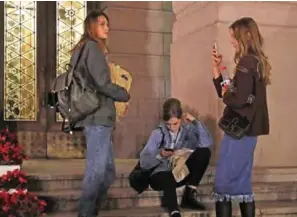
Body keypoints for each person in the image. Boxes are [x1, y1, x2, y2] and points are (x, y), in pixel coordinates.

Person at [70, 11, 130, 217]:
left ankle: (91, 211)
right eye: (102, 24)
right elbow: (102, 83)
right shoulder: (92, 48)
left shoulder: (81, 49)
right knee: (96, 172)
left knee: (108, 172)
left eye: (108, 24)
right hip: (97, 117)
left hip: (96, 117)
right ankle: (86, 213)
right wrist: (123, 93)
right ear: (91, 27)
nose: (107, 28)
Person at [211, 17, 271, 217]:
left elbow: (239, 98)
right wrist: (218, 70)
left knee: (223, 184)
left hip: (240, 131)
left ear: (244, 36)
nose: (232, 41)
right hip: (249, 131)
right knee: (242, 182)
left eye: (234, 37)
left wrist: (228, 94)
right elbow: (239, 93)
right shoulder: (256, 61)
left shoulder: (246, 62)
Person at [139, 98, 213, 217]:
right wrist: (160, 155)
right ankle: (174, 211)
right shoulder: (158, 133)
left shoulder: (187, 130)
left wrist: (195, 121)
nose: (172, 127)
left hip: (179, 172)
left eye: (175, 124)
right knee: (167, 175)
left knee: (204, 152)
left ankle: (189, 195)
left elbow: (206, 143)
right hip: (159, 176)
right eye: (168, 124)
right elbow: (143, 161)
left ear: (181, 119)